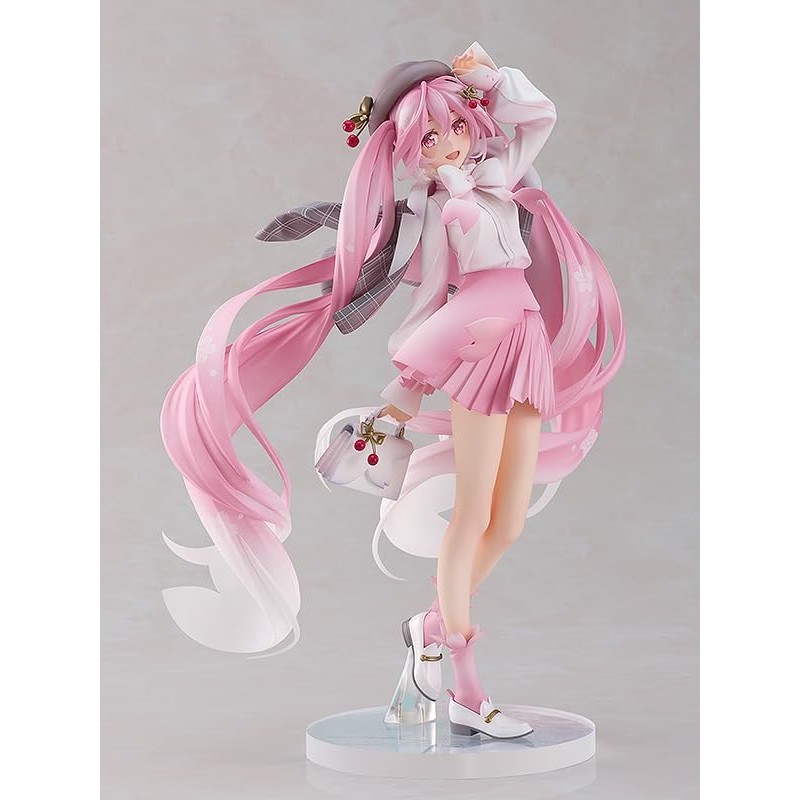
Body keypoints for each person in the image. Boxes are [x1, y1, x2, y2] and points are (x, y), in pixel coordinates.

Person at [161, 42, 626, 740]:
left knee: (508, 521)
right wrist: (408, 386)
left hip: (525, 342)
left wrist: (489, 78)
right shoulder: (435, 211)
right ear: (410, 150)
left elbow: (539, 115)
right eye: (429, 137)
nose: (449, 142)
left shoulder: (501, 174)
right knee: (472, 514)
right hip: (476, 351)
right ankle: (466, 689)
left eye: (457, 125)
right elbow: (433, 295)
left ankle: (429, 627)